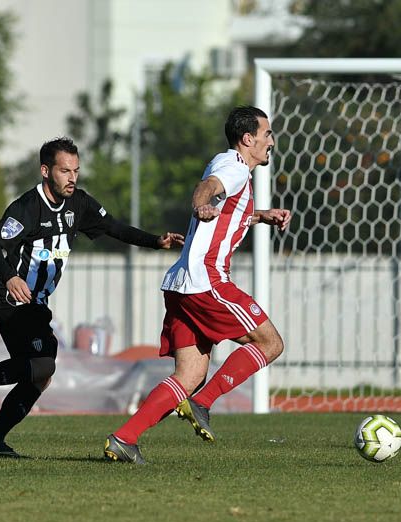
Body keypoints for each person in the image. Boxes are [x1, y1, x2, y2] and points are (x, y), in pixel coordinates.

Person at [0, 137, 184, 457]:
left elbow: (113, 227)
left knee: (39, 376)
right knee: (42, 366)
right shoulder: (26, 207)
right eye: (65, 171)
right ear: (46, 171)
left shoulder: (79, 203)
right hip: (12, 300)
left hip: (37, 303)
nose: (72, 178)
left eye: (76, 170)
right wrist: (10, 277)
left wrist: (155, 241)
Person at [104, 105, 291, 464]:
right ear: (248, 138)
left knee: (189, 375)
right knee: (270, 343)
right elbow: (208, 189)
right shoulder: (235, 167)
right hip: (207, 280)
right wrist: (200, 205)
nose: (271, 141)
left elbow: (227, 210)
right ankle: (203, 403)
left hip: (181, 284)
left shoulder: (229, 164)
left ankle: (124, 438)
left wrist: (261, 216)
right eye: (267, 134)